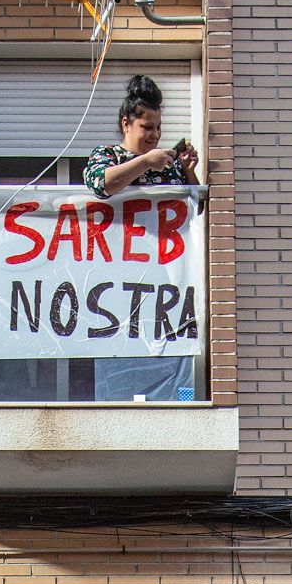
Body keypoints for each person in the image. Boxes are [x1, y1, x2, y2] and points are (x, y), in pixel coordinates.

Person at [83, 74, 201, 405]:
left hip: (164, 282)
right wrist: (146, 162)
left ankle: (182, 404)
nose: (155, 135)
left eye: (158, 128)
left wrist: (190, 172)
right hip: (116, 283)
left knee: (175, 360)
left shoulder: (170, 167)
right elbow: (100, 184)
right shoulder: (107, 155)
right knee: (117, 358)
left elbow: (197, 210)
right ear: (127, 124)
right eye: (147, 128)